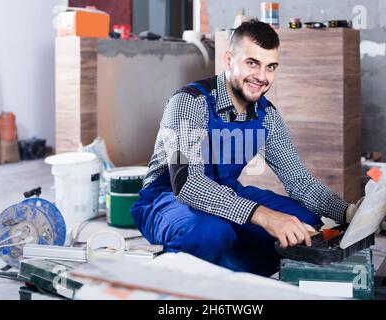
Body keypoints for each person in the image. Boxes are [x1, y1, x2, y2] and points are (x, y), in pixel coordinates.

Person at [131, 19, 358, 276]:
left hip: (227, 192)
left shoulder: (267, 116)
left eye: (270, 67)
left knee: (302, 224)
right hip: (166, 197)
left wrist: (348, 211)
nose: (261, 77)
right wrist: (262, 215)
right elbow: (187, 184)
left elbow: (299, 182)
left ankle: (230, 270)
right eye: (252, 63)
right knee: (210, 232)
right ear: (228, 60)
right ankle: (183, 280)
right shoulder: (188, 104)